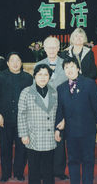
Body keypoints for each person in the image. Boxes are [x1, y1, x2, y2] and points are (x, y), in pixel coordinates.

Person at [55, 57, 97, 184]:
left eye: (72, 66)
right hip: (70, 132)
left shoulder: (89, 83)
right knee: (72, 160)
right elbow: (59, 109)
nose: (69, 70)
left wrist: (89, 121)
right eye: (66, 67)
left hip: (87, 130)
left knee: (88, 160)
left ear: (78, 68)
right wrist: (58, 128)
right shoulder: (61, 88)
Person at [0, 52, 33, 182]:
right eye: (12, 60)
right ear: (8, 63)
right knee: (5, 148)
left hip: (23, 120)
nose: (15, 63)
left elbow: (32, 99)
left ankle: (19, 173)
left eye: (18, 60)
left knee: (22, 149)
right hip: (5, 119)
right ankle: (6, 174)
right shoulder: (0, 77)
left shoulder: (28, 78)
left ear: (21, 63)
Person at [18, 64, 57, 184]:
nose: (43, 77)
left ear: (49, 77)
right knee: (34, 169)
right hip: (33, 136)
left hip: (49, 137)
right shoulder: (26, 92)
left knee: (48, 169)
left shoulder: (54, 91)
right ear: (34, 76)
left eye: (46, 74)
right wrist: (24, 134)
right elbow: (21, 114)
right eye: (40, 74)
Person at [36, 36, 69, 180]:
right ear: (44, 48)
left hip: (62, 108)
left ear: (58, 48)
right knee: (45, 141)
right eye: (48, 47)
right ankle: (45, 171)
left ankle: (59, 171)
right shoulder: (40, 64)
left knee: (59, 141)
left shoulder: (66, 64)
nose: (51, 49)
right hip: (44, 109)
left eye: (54, 46)